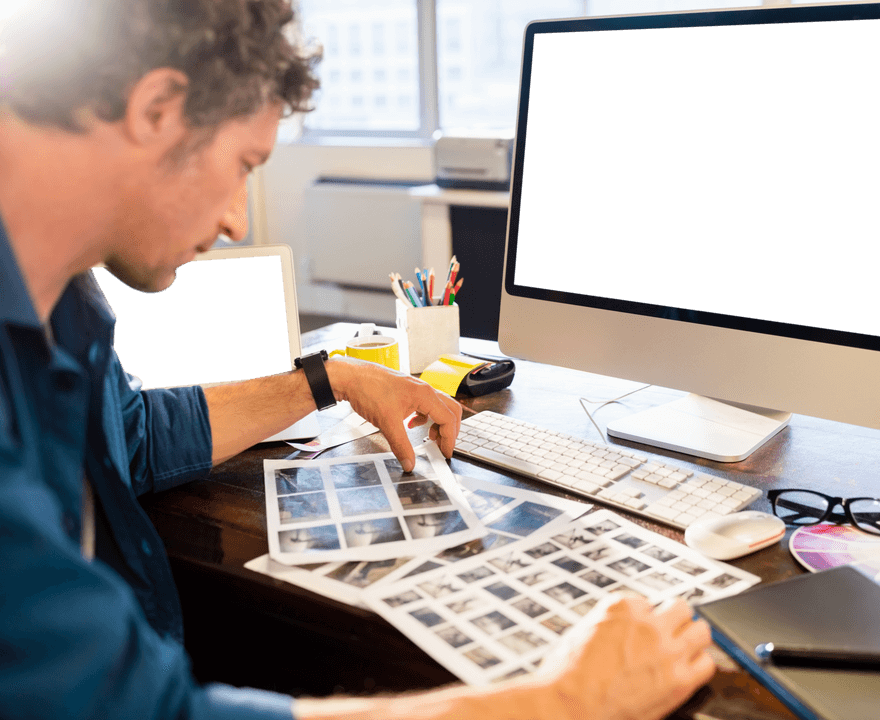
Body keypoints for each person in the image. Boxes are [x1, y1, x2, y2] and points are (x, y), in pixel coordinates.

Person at [0, 2, 716, 719]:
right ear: (156, 108)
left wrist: (326, 378)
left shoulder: (62, 300)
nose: (238, 221)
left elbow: (126, 436)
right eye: (245, 164)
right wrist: (565, 703)